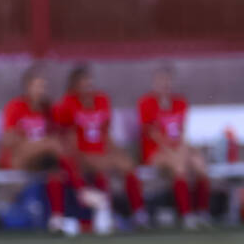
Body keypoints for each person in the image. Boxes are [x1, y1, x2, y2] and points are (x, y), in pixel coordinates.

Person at [0, 65, 107, 234]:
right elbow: (9, 140)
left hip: (44, 158)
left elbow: (58, 133)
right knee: (53, 144)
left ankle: (57, 218)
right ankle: (82, 192)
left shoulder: (47, 109)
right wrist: (38, 143)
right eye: (38, 86)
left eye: (44, 86)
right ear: (27, 87)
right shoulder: (16, 107)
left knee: (56, 171)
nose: (42, 90)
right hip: (20, 156)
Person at [53, 64, 147, 228]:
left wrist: (117, 152)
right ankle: (103, 214)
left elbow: (106, 133)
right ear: (74, 85)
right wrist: (84, 158)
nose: (88, 85)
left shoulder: (102, 100)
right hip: (83, 154)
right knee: (100, 171)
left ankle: (138, 213)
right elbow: (69, 139)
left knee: (128, 165)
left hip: (102, 151)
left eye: (89, 81)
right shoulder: (67, 103)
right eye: (83, 82)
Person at [138, 64, 212, 229]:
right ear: (154, 83)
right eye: (160, 80)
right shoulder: (146, 103)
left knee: (200, 164)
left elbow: (182, 133)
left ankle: (202, 211)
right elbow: (152, 134)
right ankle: (187, 215)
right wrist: (174, 151)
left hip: (178, 149)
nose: (164, 84)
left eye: (167, 80)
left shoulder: (180, 102)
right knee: (179, 166)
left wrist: (187, 150)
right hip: (156, 152)